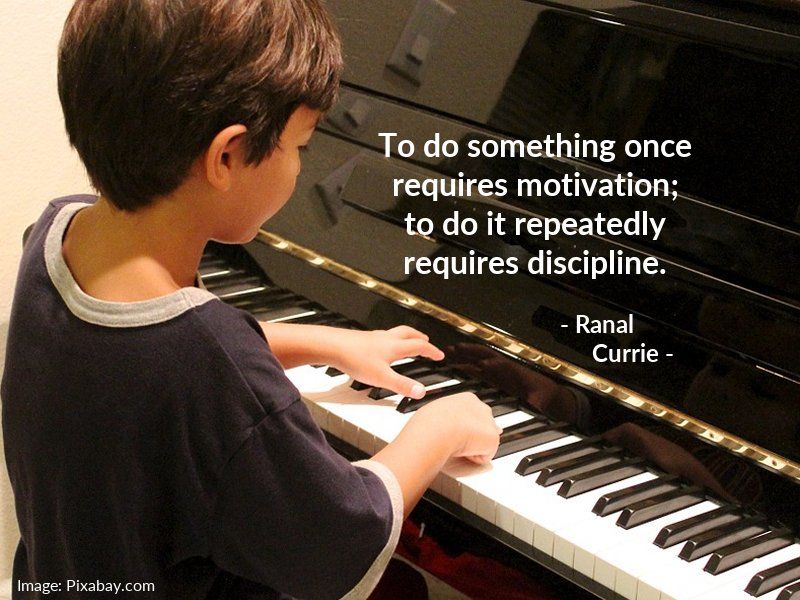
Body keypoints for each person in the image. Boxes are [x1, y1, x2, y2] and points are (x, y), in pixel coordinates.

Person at [1, 1, 500, 598]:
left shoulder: (56, 233)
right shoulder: (209, 364)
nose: (301, 168)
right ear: (227, 157)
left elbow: (149, 361)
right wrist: (439, 428)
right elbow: (340, 542)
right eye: (301, 146)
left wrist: (324, 341)